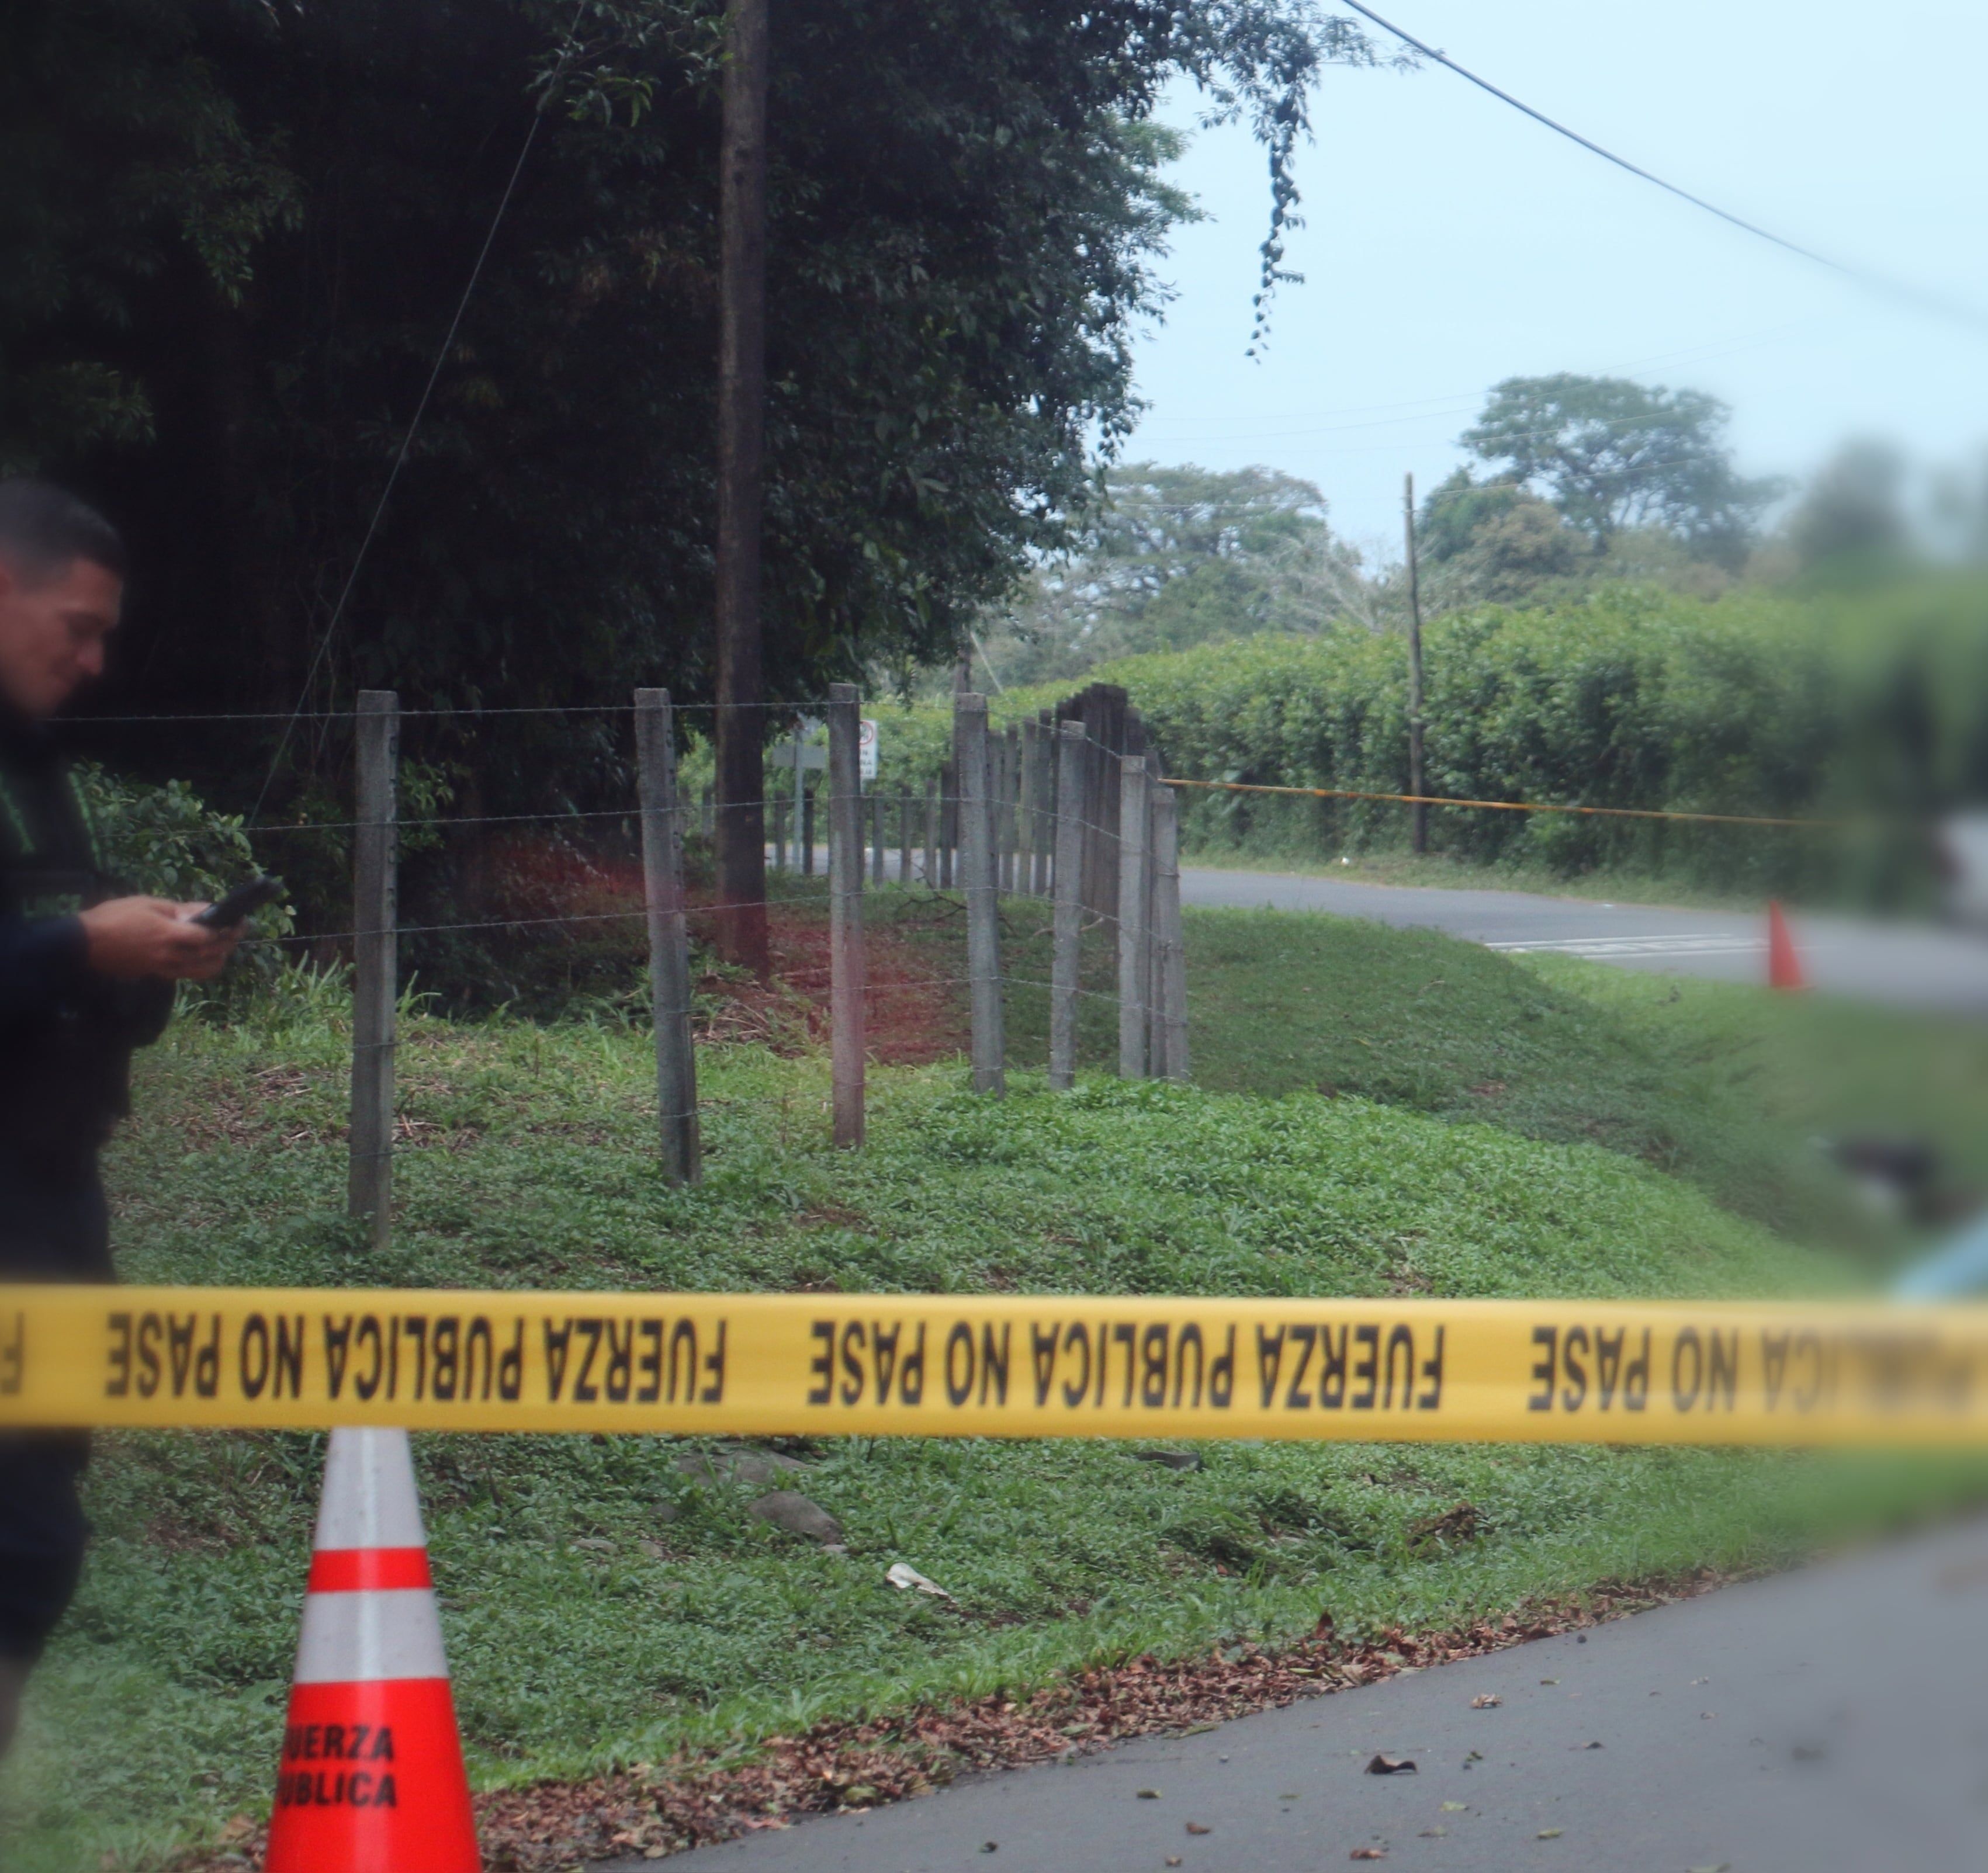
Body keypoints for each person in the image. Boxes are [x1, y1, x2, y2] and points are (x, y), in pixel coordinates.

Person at [0, 479, 240, 1756]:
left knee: (34, 1545)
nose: (93, 660)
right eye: (75, 626)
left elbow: (51, 977)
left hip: (45, 1202)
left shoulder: (36, 770)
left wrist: (140, 966)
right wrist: (71, 946)